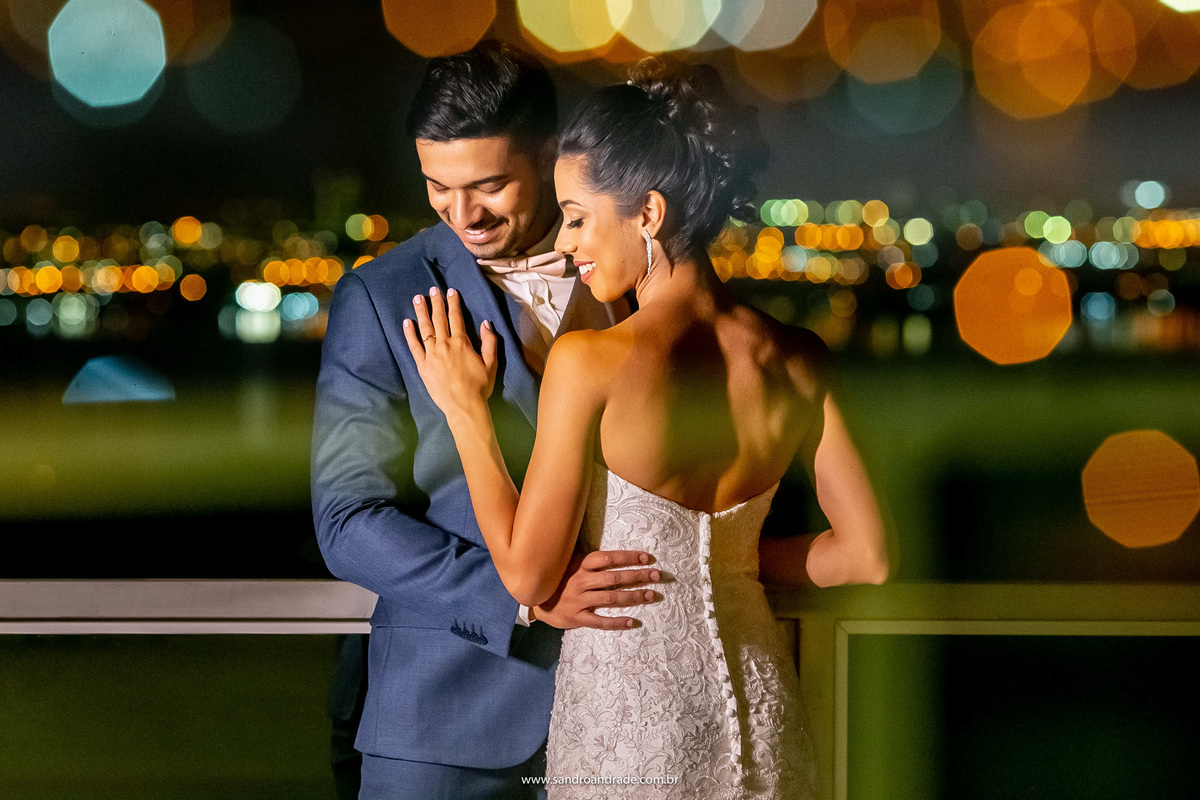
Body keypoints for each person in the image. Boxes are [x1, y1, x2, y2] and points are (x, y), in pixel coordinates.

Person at [403, 58, 890, 799]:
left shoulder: (591, 362)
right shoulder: (797, 358)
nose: (567, 243)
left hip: (632, 727)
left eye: (577, 216)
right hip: (763, 718)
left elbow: (530, 576)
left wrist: (468, 414)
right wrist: (725, 562)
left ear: (649, 215)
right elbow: (865, 557)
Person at [311, 41, 660, 800]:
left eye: (490, 185)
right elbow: (346, 520)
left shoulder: (641, 277)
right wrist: (524, 599)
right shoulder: (380, 296)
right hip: (441, 726)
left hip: (632, 715)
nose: (463, 214)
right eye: (438, 187)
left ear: (548, 152)